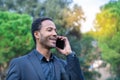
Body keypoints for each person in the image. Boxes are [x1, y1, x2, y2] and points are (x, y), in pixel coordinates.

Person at [6, 17, 85, 80]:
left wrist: (69, 54)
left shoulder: (64, 65)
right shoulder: (20, 64)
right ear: (37, 34)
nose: (54, 34)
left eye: (55, 31)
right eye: (49, 30)